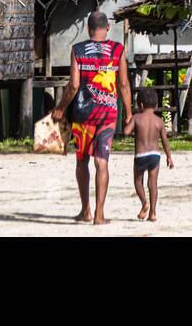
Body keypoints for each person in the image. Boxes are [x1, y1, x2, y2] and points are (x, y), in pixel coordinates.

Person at [51, 11, 132, 224]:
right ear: (107, 29)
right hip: (107, 115)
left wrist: (60, 108)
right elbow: (123, 85)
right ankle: (99, 214)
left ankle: (85, 210)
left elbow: (74, 85)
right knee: (101, 162)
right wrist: (129, 113)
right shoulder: (117, 50)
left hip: (83, 115)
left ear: (88, 29)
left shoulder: (77, 50)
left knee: (82, 161)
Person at [127, 86, 173, 221]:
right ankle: (153, 213)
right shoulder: (159, 121)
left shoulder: (136, 118)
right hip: (155, 155)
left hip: (140, 156)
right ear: (157, 105)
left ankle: (144, 203)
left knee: (138, 181)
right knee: (153, 184)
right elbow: (165, 141)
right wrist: (169, 157)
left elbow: (126, 132)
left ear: (140, 105)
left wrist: (128, 122)